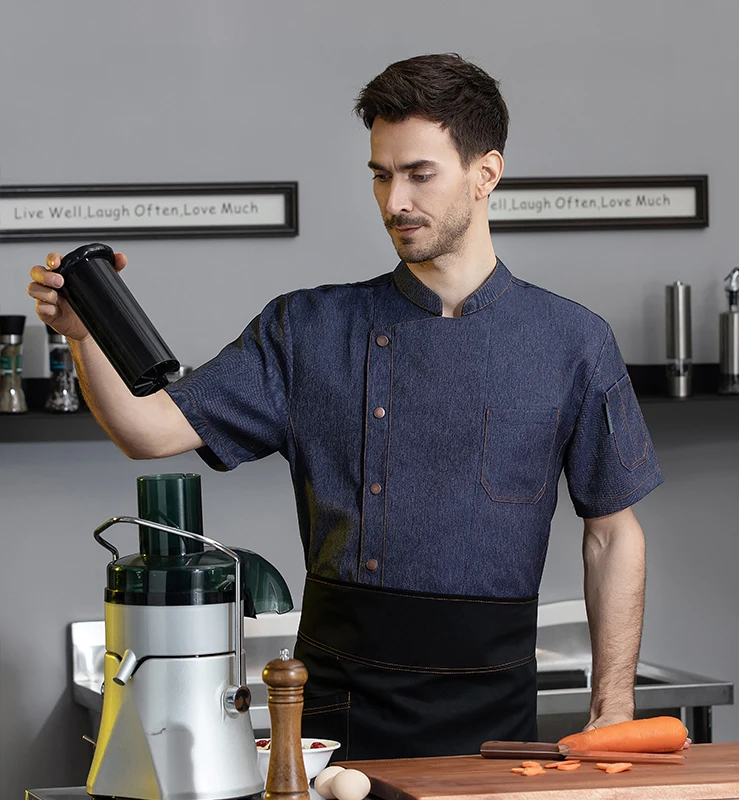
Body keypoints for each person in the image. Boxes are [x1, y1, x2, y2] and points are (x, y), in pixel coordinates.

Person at [28, 53, 663, 760]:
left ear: (486, 174)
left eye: (420, 174)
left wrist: (614, 705)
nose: (395, 201)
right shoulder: (307, 330)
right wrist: (84, 340)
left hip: (497, 711)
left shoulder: (572, 340)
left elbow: (613, 533)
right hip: (337, 708)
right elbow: (148, 432)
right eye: (381, 174)